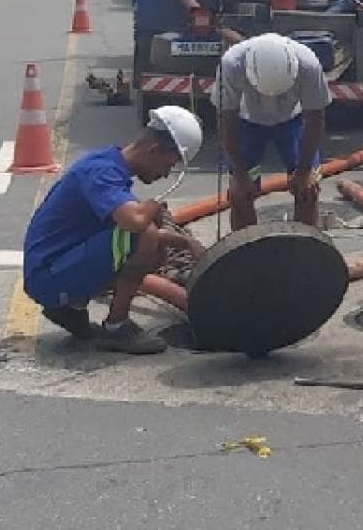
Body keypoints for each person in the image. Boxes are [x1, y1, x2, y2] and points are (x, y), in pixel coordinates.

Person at [23, 105, 206, 354]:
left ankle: (71, 308)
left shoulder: (110, 165)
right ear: (154, 150)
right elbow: (135, 223)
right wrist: (153, 206)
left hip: (55, 266)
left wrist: (185, 243)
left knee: (156, 247)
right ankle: (116, 328)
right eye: (169, 165)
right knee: (147, 234)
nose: (166, 174)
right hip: (48, 275)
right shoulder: (101, 174)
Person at [211, 32, 332, 230]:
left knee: (307, 190)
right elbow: (227, 122)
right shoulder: (232, 64)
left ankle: (305, 250)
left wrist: (303, 170)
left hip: (292, 121)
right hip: (247, 124)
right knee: (241, 195)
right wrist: (240, 175)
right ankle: (247, 249)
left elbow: (315, 120)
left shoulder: (308, 64)